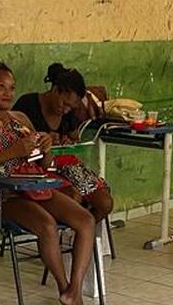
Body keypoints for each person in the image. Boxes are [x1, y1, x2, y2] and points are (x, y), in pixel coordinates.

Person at [0, 51, 98, 305]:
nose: (7, 93)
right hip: (6, 196)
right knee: (46, 225)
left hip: (36, 187)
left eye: (11, 87)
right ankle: (64, 289)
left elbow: (41, 161)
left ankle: (74, 290)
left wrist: (45, 146)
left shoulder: (20, 119)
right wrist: (12, 151)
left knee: (86, 220)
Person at [13, 63, 115, 223]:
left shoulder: (70, 113)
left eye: (71, 107)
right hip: (37, 168)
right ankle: (73, 233)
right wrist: (43, 140)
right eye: (64, 103)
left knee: (105, 202)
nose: (66, 110)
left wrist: (67, 140)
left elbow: (74, 138)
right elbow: (14, 142)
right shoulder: (28, 104)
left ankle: (80, 236)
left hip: (66, 165)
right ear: (55, 90)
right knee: (73, 197)